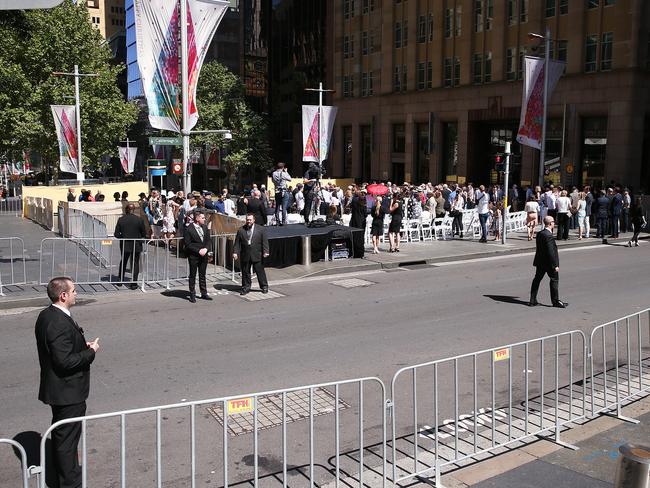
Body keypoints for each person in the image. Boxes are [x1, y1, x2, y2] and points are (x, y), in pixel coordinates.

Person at [35, 277, 99, 488]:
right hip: (67, 391)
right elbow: (64, 362)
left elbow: (60, 350)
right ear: (63, 295)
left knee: (64, 437)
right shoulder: (57, 322)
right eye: (73, 290)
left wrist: (82, 344)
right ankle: (70, 482)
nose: (76, 294)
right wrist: (90, 352)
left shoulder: (48, 315)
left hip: (61, 390)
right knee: (67, 441)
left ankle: (64, 474)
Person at [529, 216, 568, 308]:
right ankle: (555, 301)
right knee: (554, 280)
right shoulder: (549, 236)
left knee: (537, 280)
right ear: (550, 223)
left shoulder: (540, 233)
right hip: (549, 263)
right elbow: (551, 251)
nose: (554, 223)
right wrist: (555, 265)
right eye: (553, 222)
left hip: (540, 262)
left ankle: (532, 300)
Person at [233, 213, 270, 295]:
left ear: (254, 220)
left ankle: (264, 286)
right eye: (247, 220)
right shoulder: (241, 230)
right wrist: (235, 252)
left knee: (259, 271)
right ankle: (246, 287)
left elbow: (265, 241)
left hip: (257, 253)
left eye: (250, 220)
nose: (248, 221)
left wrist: (266, 251)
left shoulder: (261, 229)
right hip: (245, 254)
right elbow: (237, 243)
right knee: (245, 272)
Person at [114, 203, 147, 289]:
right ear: (133, 210)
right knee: (135, 263)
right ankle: (134, 283)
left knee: (123, 262)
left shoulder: (121, 219)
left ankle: (120, 280)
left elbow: (116, 234)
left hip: (125, 244)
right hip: (136, 244)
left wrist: (124, 236)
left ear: (126, 210)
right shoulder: (139, 220)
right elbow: (144, 233)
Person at [183, 210, 213, 303]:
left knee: (202, 274)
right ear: (197, 218)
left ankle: (204, 293)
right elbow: (188, 244)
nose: (204, 219)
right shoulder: (188, 229)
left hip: (203, 255)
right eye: (203, 218)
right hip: (193, 256)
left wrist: (206, 249)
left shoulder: (204, 227)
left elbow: (208, 240)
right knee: (192, 275)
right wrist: (198, 250)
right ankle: (192, 293)